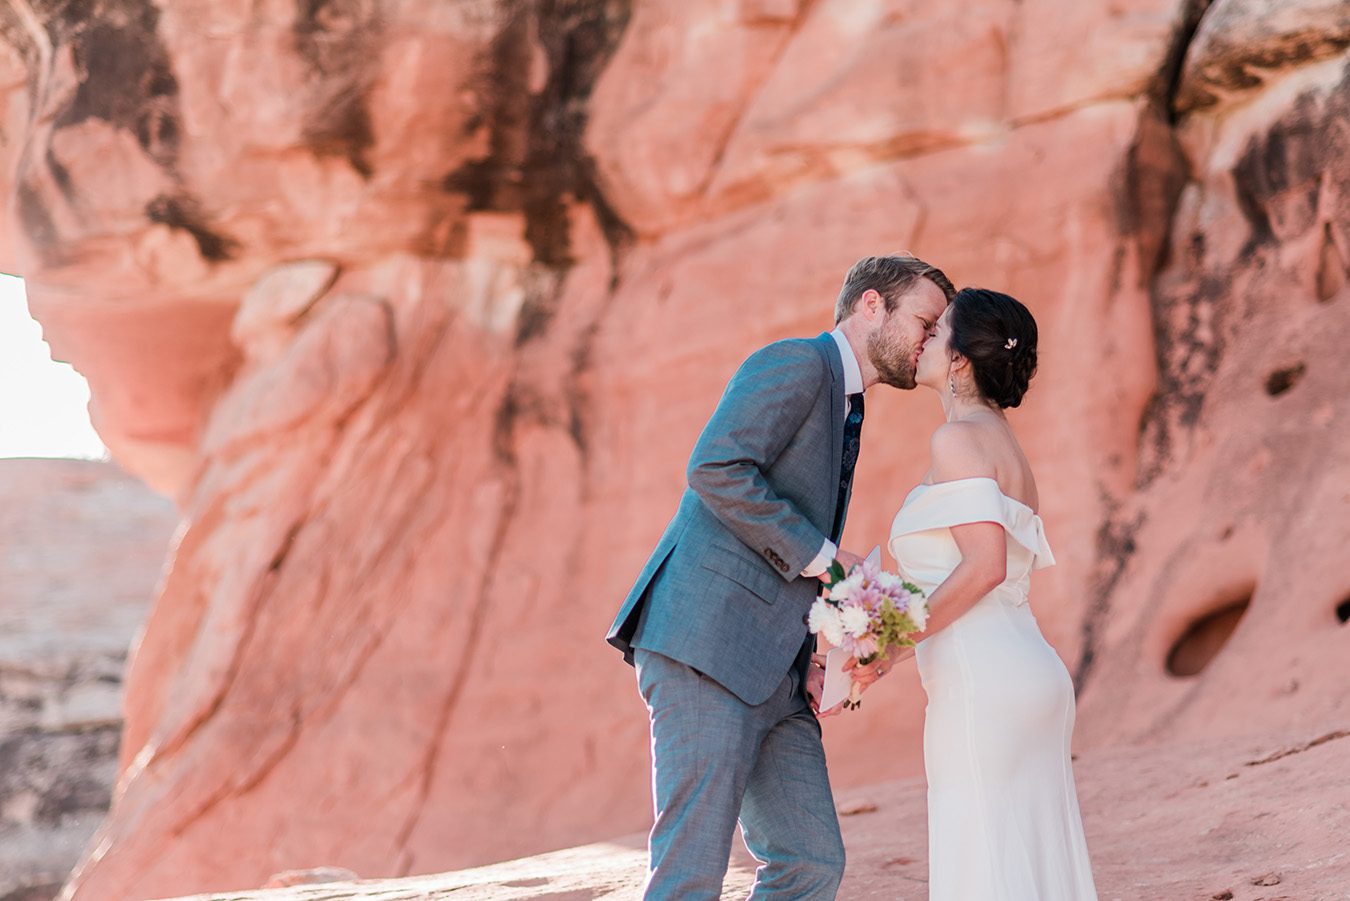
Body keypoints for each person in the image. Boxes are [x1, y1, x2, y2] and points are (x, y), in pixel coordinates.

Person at [606, 254, 953, 899]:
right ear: (872, 305)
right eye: (926, 322)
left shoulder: (847, 401)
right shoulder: (797, 362)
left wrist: (812, 658)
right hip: (705, 647)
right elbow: (716, 468)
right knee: (690, 870)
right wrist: (828, 560)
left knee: (811, 861)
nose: (930, 340)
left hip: (779, 673)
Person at [846, 287, 1098, 899]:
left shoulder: (956, 442)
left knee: (983, 865)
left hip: (982, 686)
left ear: (959, 359)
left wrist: (889, 641)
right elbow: (980, 584)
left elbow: (983, 569)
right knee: (1031, 864)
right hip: (1025, 671)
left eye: (936, 332)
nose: (923, 339)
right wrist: (889, 655)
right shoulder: (1005, 445)